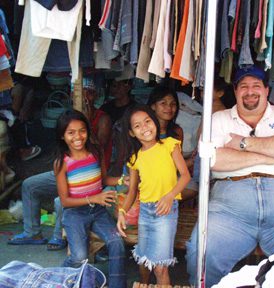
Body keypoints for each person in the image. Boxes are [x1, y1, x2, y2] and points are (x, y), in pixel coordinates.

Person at [186, 66, 274, 287]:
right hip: (230, 211)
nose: (250, 91)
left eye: (256, 86)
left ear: (267, 90)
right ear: (235, 91)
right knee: (201, 253)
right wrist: (269, 157)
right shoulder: (218, 119)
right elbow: (213, 160)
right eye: (244, 86)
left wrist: (243, 144)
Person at [8, 78, 113, 251]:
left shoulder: (102, 119)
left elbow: (97, 149)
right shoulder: (71, 117)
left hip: (90, 176)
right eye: (77, 93)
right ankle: (32, 232)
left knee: (60, 201)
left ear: (94, 95)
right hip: (70, 169)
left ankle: (59, 236)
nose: (82, 97)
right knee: (30, 185)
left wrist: (86, 122)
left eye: (88, 92)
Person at [117, 105, 191, 285]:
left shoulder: (170, 145)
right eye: (137, 126)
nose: (145, 128)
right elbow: (133, 191)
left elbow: (185, 176)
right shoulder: (135, 158)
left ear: (155, 122)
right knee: (144, 260)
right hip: (145, 212)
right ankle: (145, 283)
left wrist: (170, 196)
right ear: (132, 133)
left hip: (165, 211)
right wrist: (122, 212)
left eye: (148, 121)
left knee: (160, 267)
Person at [54, 109, 126, 288]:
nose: (77, 136)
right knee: (79, 258)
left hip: (98, 211)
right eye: (70, 132)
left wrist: (125, 180)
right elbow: (65, 201)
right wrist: (94, 198)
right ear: (62, 136)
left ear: (87, 131)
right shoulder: (61, 162)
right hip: (75, 214)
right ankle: (59, 276)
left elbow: (105, 180)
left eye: (82, 130)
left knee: (117, 242)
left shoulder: (96, 152)